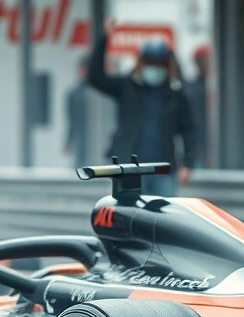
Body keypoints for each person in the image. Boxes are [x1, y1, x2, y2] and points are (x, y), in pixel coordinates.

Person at [86, 21, 195, 197]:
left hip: (163, 170)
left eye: (160, 63)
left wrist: (188, 164)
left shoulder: (175, 94)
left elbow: (189, 130)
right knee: (130, 217)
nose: (155, 67)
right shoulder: (127, 87)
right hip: (130, 170)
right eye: (150, 62)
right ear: (141, 62)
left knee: (163, 219)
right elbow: (95, 77)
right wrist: (105, 39)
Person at [184, 46, 209, 168]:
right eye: (200, 61)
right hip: (199, 145)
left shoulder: (221, 86)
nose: (203, 65)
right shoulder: (192, 88)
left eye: (205, 61)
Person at [63, 55, 90, 167]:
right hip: (81, 139)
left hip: (97, 140)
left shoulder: (100, 94)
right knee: (79, 167)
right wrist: (68, 141)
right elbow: (72, 121)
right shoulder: (73, 94)